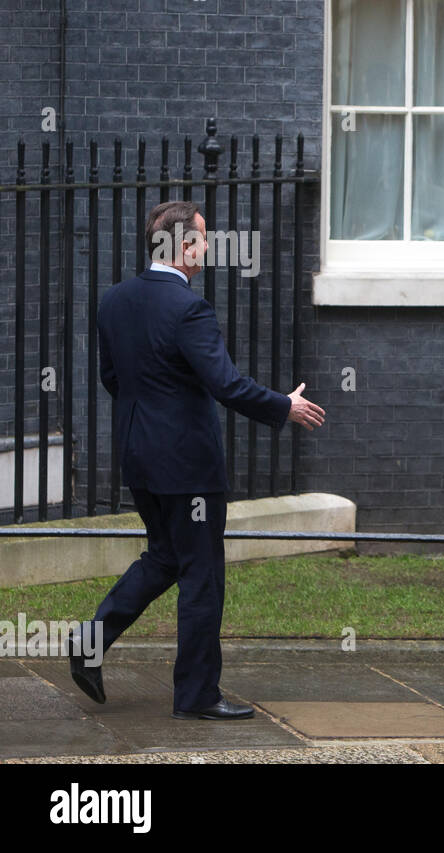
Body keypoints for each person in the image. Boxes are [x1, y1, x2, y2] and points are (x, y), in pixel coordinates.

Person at [67, 200, 325, 719]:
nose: (208, 247)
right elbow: (226, 384)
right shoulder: (189, 309)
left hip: (140, 457)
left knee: (164, 556)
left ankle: (88, 642)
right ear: (182, 246)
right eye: (204, 238)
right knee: (201, 575)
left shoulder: (115, 299)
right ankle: (197, 695)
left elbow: (112, 380)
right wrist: (285, 405)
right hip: (188, 469)